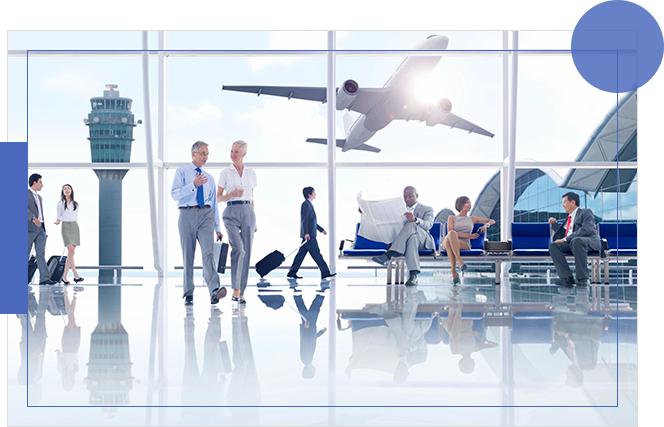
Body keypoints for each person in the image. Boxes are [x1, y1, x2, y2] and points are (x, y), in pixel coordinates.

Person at [171, 141, 227, 305]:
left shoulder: (209, 178)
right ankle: (188, 292)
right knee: (188, 255)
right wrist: (193, 186)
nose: (205, 157)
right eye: (202, 153)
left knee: (208, 254)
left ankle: (214, 290)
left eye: (207, 154)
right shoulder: (181, 172)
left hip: (206, 216)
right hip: (187, 214)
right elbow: (174, 195)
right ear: (193, 154)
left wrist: (217, 227)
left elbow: (214, 204)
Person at [217, 140, 257, 304]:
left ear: (244, 154)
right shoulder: (225, 173)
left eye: (236, 152)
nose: (233, 154)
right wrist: (231, 194)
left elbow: (252, 196)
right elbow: (218, 198)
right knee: (238, 249)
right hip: (231, 211)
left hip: (248, 211)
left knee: (246, 252)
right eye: (231, 151)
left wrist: (254, 218)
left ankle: (241, 292)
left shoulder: (251, 173)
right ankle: (235, 289)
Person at [370, 186, 435, 286]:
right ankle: (413, 275)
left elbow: (428, 225)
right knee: (412, 238)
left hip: (424, 240)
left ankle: (389, 254)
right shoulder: (399, 210)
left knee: (411, 224)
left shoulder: (427, 209)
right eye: (405, 197)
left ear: (416, 195)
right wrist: (367, 213)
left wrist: (415, 219)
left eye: (410, 196)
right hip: (408, 241)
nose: (407, 199)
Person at [548, 192, 602, 287]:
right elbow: (565, 234)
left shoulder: (586, 212)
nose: (563, 205)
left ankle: (583, 279)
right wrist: (554, 225)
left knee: (576, 240)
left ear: (573, 202)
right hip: (573, 242)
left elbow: (586, 229)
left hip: (587, 241)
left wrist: (565, 239)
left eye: (564, 202)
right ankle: (566, 278)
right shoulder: (569, 218)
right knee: (553, 246)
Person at [443, 196, 495, 285]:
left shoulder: (472, 219)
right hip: (450, 239)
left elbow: (492, 220)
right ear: (461, 205)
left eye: (470, 202)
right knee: (451, 234)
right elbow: (450, 233)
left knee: (449, 243)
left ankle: (454, 271)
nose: (470, 204)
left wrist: (485, 226)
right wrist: (469, 236)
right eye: (467, 202)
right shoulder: (451, 217)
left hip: (463, 243)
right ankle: (459, 260)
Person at [287, 187, 336, 279]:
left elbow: (312, 222)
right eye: (314, 192)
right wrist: (306, 233)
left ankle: (292, 272)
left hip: (310, 233)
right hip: (309, 235)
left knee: (300, 255)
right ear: (309, 194)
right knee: (316, 254)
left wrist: (321, 230)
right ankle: (325, 272)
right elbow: (304, 220)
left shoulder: (309, 204)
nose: (315, 194)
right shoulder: (305, 204)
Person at [28, 174, 56, 285]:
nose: (42, 185)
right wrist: (33, 218)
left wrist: (43, 228)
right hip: (29, 228)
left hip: (41, 229)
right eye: (40, 182)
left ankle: (44, 278)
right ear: (34, 183)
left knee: (41, 254)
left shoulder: (40, 197)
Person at [54, 184, 83, 285]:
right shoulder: (60, 204)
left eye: (68, 188)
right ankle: (76, 275)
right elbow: (59, 216)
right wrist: (57, 221)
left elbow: (75, 216)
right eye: (64, 189)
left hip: (75, 227)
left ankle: (64, 277)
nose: (66, 190)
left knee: (70, 253)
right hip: (65, 227)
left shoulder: (76, 204)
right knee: (71, 251)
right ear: (62, 191)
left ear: (71, 190)